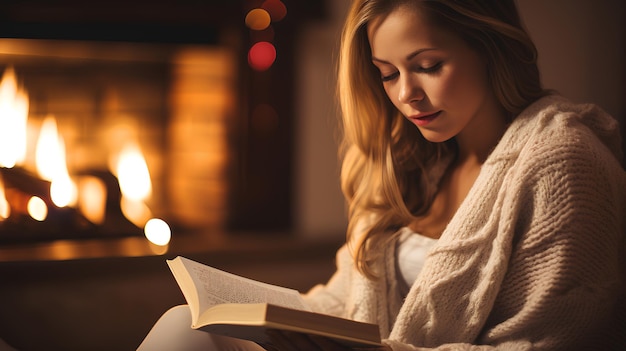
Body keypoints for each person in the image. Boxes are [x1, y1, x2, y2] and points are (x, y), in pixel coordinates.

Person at [138, 0, 626, 350]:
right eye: (388, 73)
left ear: (491, 47)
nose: (406, 94)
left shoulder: (562, 162)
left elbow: (550, 338)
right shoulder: (419, 160)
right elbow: (349, 299)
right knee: (186, 326)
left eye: (428, 66)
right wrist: (270, 319)